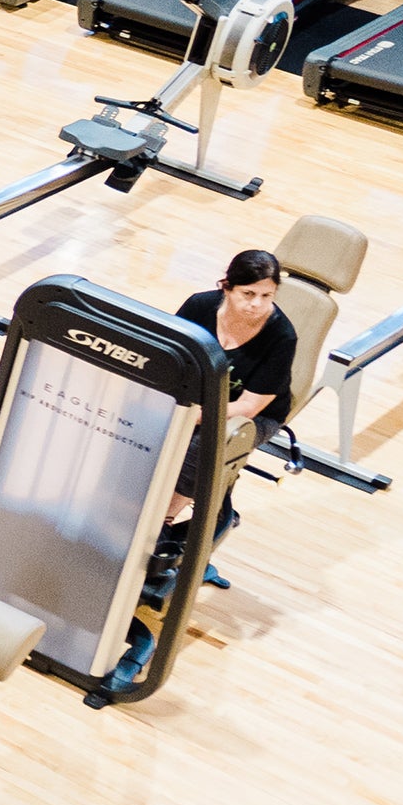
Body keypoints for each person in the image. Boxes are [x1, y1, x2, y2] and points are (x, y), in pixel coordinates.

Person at [165, 246, 296, 588]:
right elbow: (168, 357)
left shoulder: (282, 336)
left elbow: (251, 406)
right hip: (194, 401)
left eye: (267, 295)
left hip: (250, 414)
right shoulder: (199, 306)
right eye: (248, 293)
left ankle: (162, 522)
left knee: (199, 446)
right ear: (227, 287)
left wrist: (193, 416)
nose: (257, 304)